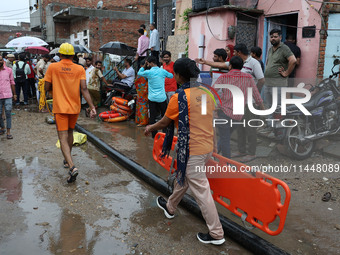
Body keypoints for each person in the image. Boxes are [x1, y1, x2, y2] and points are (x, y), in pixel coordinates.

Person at [145, 57, 225, 245]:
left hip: (192, 150)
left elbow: (165, 122)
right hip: (205, 147)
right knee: (184, 178)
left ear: (179, 76)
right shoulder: (207, 93)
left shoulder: (179, 97)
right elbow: (212, 120)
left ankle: (216, 234)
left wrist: (150, 127)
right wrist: (215, 146)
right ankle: (170, 207)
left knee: (202, 192)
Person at [44, 43, 97, 183]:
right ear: (73, 55)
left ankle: (72, 167)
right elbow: (84, 89)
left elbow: (47, 86)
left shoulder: (53, 67)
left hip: (60, 108)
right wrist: (92, 107)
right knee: (70, 134)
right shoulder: (79, 68)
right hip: (74, 108)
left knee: (62, 137)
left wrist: (54, 90)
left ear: (60, 54)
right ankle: (67, 160)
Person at [214, 56, 265, 159]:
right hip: (238, 114)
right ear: (242, 67)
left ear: (230, 66)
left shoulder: (224, 77)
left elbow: (212, 93)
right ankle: (214, 155)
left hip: (224, 112)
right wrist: (263, 109)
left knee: (225, 138)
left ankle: (226, 164)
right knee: (225, 136)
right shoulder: (248, 78)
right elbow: (256, 95)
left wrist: (213, 108)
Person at [232, 44, 265, 162]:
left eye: (234, 52)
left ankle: (251, 153)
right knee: (239, 127)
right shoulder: (238, 63)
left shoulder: (254, 63)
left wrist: (254, 92)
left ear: (239, 52)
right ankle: (241, 150)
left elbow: (261, 80)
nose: (233, 54)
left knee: (250, 127)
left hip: (249, 101)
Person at [138, 56, 173, 138]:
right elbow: (171, 76)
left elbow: (139, 73)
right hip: (161, 98)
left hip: (152, 98)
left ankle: (154, 134)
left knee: (152, 116)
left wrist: (143, 67)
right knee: (164, 115)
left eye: (148, 63)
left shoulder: (148, 72)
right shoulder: (162, 71)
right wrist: (165, 73)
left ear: (150, 63)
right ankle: (165, 133)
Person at [263, 29, 296, 109]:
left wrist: (286, 73)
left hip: (278, 85)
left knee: (278, 108)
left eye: (275, 36)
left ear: (280, 37)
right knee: (268, 107)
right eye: (271, 37)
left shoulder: (284, 48)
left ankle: (279, 121)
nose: (273, 38)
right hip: (267, 84)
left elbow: (293, 60)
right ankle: (269, 122)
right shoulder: (270, 49)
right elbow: (268, 62)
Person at [0, 56, 17, 139]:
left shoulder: (8, 70)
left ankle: (8, 132)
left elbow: (12, 82)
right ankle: (2, 127)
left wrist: (14, 94)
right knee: (0, 114)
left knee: (8, 113)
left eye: (0, 60)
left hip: (8, 95)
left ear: (2, 61)